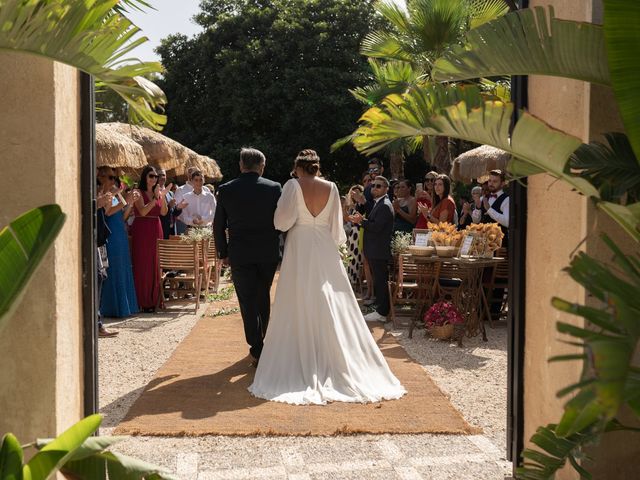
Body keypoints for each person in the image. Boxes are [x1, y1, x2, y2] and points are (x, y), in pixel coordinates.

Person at [248, 150, 405, 405]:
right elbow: (336, 225)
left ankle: (301, 352)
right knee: (329, 298)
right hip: (323, 245)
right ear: (317, 168)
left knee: (298, 296)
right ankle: (330, 353)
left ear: (298, 168)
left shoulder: (291, 185)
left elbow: (281, 221)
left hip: (299, 244)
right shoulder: (331, 187)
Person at [213, 148, 282, 364]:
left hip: (240, 253)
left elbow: (218, 226)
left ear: (241, 165)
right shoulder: (274, 188)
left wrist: (223, 252)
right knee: (263, 296)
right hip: (267, 252)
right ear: (262, 166)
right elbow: (281, 221)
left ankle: (256, 345)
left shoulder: (226, 190)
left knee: (247, 300)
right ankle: (265, 341)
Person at [350, 176, 395, 323]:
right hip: (375, 249)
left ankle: (382, 312)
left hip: (379, 249)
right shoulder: (379, 203)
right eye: (374, 185)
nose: (375, 188)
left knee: (381, 281)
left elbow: (376, 227)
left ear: (386, 189)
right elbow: (371, 214)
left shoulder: (384, 205)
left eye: (379, 186)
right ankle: (380, 309)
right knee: (378, 280)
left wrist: (361, 221)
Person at [97, 167, 139, 318]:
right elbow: (107, 212)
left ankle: (124, 306)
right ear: (102, 177)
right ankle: (111, 308)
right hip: (111, 235)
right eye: (111, 177)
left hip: (120, 231)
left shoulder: (114, 193)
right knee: (113, 269)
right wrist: (121, 197)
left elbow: (123, 215)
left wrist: (130, 203)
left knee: (122, 267)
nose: (114, 181)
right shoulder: (101, 193)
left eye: (115, 178)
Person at [130, 165, 170, 313]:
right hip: (142, 228)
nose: (154, 179)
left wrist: (163, 197)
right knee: (143, 264)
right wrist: (154, 198)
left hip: (156, 227)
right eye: (151, 176)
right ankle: (143, 301)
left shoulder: (157, 192)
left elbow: (164, 212)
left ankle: (155, 300)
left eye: (155, 177)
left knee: (155, 263)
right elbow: (143, 211)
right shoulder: (138, 192)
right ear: (145, 177)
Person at [344, 185, 364, 286]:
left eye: (356, 192)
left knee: (356, 257)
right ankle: (351, 280)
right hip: (353, 232)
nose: (354, 194)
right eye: (352, 192)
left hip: (359, 232)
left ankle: (354, 281)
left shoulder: (362, 204)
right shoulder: (352, 206)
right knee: (351, 257)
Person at [173, 166, 196, 234]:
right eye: (190, 172)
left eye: (194, 171)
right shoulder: (180, 190)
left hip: (201, 226)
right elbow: (176, 210)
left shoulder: (205, 190)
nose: (192, 173)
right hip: (183, 226)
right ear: (187, 174)